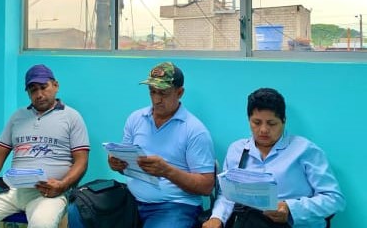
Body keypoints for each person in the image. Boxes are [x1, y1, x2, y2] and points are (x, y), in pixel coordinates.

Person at [0, 64, 90, 228]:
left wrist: (63, 185)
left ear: (56, 86)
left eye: (44, 87)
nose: (39, 94)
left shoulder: (71, 117)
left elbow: (82, 161)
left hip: (49, 192)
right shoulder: (18, 117)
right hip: (12, 188)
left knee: (41, 224)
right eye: (33, 90)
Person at [202, 88, 345, 228]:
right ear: (248, 120)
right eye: (256, 122)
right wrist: (217, 218)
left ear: (283, 121)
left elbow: (334, 199)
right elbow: (227, 195)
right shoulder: (237, 150)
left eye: (271, 123)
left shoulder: (306, 151)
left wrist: (291, 208)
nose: (263, 130)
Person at [107, 61, 215, 228]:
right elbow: (126, 165)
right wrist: (117, 163)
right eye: (152, 92)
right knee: (82, 208)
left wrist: (167, 171)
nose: (157, 99)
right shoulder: (136, 119)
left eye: (163, 93)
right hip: (132, 199)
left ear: (180, 92)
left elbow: (206, 186)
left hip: (174, 205)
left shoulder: (194, 130)